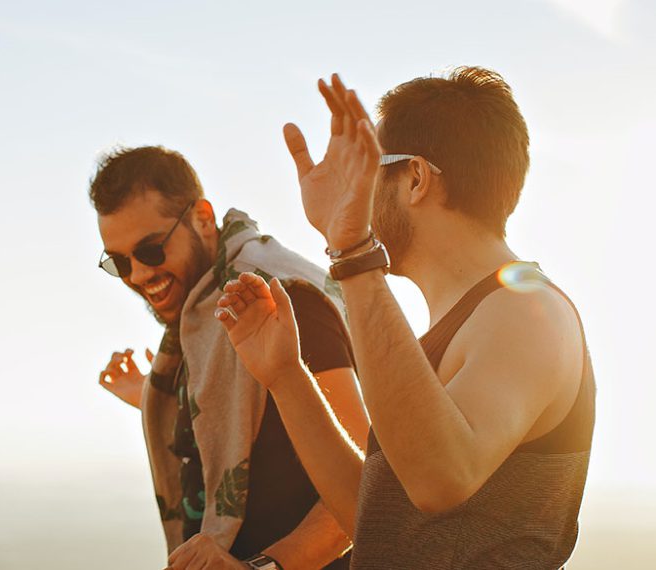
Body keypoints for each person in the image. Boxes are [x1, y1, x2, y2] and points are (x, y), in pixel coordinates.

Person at [217, 68, 594, 568]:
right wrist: (287, 376)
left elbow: (440, 479)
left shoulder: (527, 310)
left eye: (368, 171)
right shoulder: (457, 327)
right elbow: (376, 523)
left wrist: (352, 250)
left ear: (415, 178)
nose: (356, 191)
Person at [90, 146, 369, 569]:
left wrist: (264, 567)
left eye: (150, 251)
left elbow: (367, 480)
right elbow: (244, 424)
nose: (140, 274)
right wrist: (156, 398)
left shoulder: (281, 300)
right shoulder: (202, 317)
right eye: (120, 263)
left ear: (203, 218)